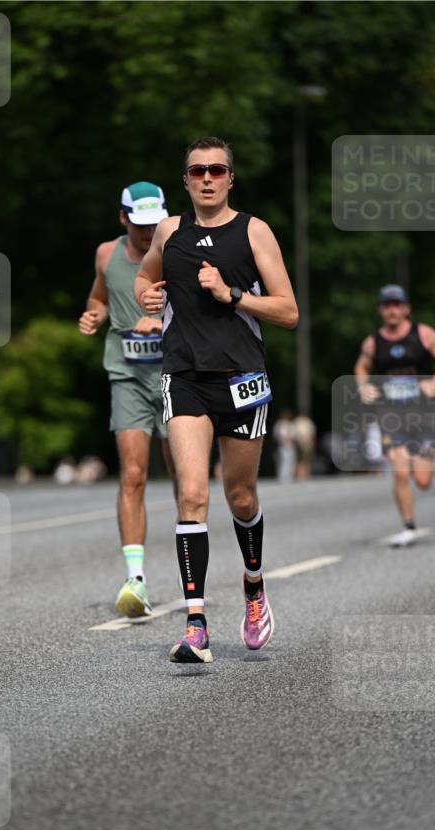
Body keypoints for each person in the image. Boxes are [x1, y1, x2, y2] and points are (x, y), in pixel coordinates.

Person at [135, 136, 298, 663]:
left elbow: (288, 311)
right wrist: (147, 293)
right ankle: (196, 623)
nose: (207, 178)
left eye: (217, 170)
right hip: (183, 376)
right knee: (190, 494)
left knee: (241, 496)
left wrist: (233, 295)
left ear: (231, 177)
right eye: (197, 171)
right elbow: (144, 273)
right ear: (185, 180)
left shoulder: (254, 231)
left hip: (242, 378)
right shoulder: (169, 231)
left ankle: (253, 586)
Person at [78, 181, 172, 616]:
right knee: (133, 474)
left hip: (177, 376)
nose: (146, 232)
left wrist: (163, 323)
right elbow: (100, 295)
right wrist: (96, 313)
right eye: (139, 224)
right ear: (123, 219)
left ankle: (194, 571)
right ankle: (136, 579)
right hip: (128, 376)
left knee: (185, 482)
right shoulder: (105, 254)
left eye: (154, 224)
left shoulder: (180, 249)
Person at [355, 284, 435, 547]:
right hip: (393, 416)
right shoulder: (373, 342)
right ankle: (408, 526)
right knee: (400, 473)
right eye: (387, 305)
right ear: (381, 310)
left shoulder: (423, 334)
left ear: (406, 308)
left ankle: (424, 458)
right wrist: (363, 386)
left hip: (425, 416)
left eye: (397, 304)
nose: (392, 310)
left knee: (422, 481)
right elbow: (361, 366)